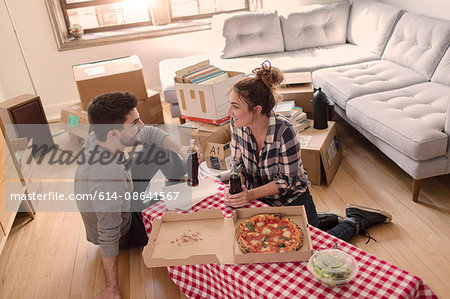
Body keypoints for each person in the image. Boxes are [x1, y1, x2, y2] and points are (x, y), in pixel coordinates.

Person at [224, 61, 392, 243]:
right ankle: (324, 218)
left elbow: (286, 181)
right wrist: (237, 188)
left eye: (235, 106)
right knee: (263, 240)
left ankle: (355, 220)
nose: (229, 112)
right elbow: (238, 164)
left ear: (256, 110)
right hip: (260, 198)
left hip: (290, 198)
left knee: (312, 248)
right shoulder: (238, 124)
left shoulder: (285, 131)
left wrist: (249, 195)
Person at [74, 92, 188, 299]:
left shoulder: (98, 135)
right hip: (124, 230)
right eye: (135, 122)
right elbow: (108, 232)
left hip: (123, 195)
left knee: (159, 148)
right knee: (179, 209)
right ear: (114, 134)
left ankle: (180, 179)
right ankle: (178, 194)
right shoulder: (108, 177)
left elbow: (150, 133)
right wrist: (111, 287)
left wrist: (181, 150)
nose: (142, 125)